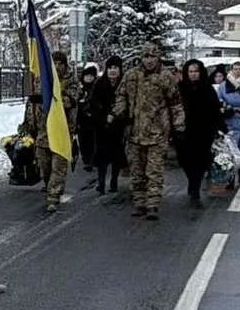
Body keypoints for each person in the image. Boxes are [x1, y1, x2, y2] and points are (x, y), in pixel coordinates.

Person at [112, 42, 184, 219]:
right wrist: (119, 112)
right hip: (134, 132)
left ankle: (152, 204)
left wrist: (179, 125)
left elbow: (175, 103)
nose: (149, 60)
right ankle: (139, 203)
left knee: (154, 171)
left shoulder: (165, 77)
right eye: (146, 57)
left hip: (157, 132)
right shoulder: (131, 75)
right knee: (137, 171)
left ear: (158, 57)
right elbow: (121, 95)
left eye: (153, 57)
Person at [21, 52, 82, 215]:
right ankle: (51, 185)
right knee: (44, 165)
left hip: (62, 130)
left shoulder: (72, 82)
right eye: (54, 63)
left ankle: (53, 196)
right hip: (44, 130)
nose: (57, 66)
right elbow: (32, 106)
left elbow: (69, 102)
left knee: (58, 165)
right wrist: (28, 122)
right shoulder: (42, 81)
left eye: (60, 63)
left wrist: (46, 98)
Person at [174, 59, 226, 207]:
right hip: (183, 132)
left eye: (196, 71)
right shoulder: (180, 89)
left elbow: (216, 110)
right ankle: (192, 181)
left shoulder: (208, 89)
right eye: (190, 72)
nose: (193, 74)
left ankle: (195, 188)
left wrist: (220, 127)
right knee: (185, 160)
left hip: (204, 131)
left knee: (200, 161)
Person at [84, 57, 127, 195]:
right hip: (102, 126)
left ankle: (114, 181)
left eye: (115, 68)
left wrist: (118, 117)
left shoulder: (124, 84)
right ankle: (101, 182)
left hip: (119, 126)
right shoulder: (99, 84)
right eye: (110, 68)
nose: (112, 71)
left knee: (117, 156)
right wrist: (103, 117)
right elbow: (93, 104)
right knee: (102, 156)